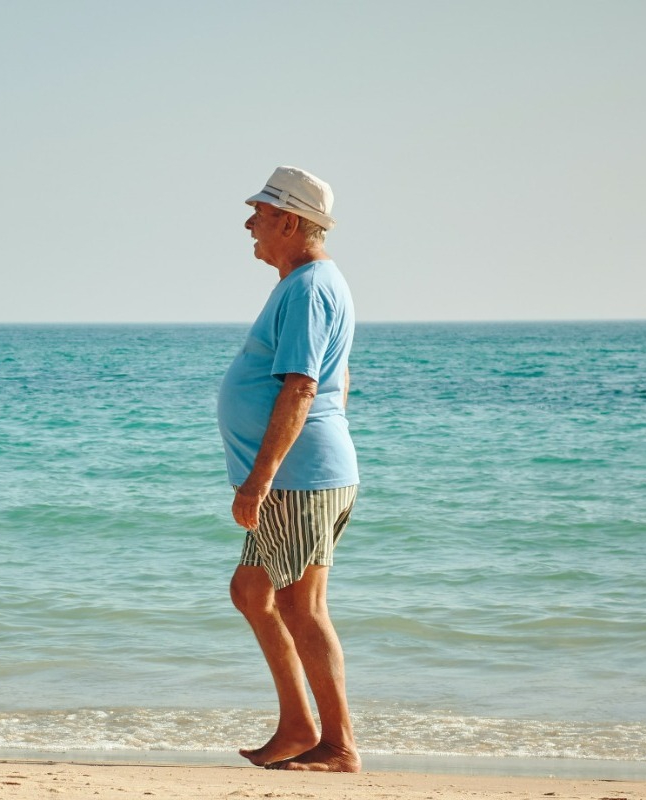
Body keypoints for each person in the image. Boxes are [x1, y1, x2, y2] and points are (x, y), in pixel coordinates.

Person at [217, 166, 361, 773]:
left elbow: (302, 387)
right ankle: (299, 727)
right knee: (253, 591)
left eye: (259, 210)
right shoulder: (305, 284)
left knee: (302, 607)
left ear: (290, 220)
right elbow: (340, 379)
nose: (249, 221)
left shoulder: (308, 287)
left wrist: (262, 476)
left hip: (297, 479)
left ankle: (338, 745)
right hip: (301, 472)